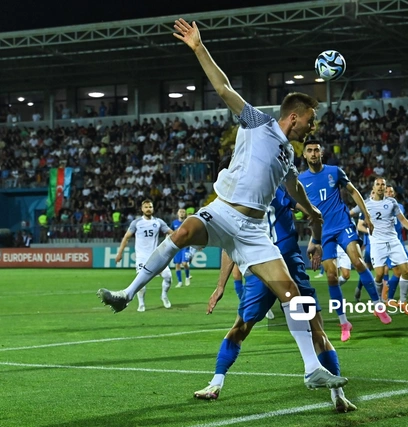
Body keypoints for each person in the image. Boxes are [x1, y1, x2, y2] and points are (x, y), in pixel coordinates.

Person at [97, 18, 346, 390]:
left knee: (292, 293)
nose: (313, 127)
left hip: (254, 231)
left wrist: (311, 213)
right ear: (293, 116)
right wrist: (198, 47)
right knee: (183, 231)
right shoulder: (256, 122)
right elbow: (223, 87)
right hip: (223, 211)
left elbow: (295, 190)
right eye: (310, 121)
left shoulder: (289, 158)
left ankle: (312, 370)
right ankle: (126, 294)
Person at [195, 186, 356, 412]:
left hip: (261, 269)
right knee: (315, 329)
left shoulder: (238, 197)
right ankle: (338, 394)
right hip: (285, 265)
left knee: (242, 327)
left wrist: (220, 285)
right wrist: (315, 241)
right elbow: (314, 214)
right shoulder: (281, 187)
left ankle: (216, 383)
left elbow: (228, 245)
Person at [299, 140, 391, 343]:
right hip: (323, 233)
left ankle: (377, 305)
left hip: (342, 225)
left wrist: (366, 215)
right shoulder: (301, 180)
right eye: (310, 151)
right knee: (331, 276)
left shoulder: (334, 171)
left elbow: (353, 192)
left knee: (357, 261)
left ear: (321, 153)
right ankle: (344, 322)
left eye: (316, 150)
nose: (314, 153)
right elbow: (297, 204)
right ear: (304, 155)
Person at [358, 178, 408, 315]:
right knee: (379, 275)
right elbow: (359, 225)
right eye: (378, 185)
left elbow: (402, 219)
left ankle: (403, 301)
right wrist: (370, 231)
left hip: (393, 241)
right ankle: (379, 303)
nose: (380, 187)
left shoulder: (391, 202)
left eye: (382, 184)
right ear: (373, 188)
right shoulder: (366, 204)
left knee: (407, 270)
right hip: (377, 243)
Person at [114, 199, 173, 312]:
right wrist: (119, 253)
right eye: (146, 207)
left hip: (157, 256)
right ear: (142, 209)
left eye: (150, 207)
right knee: (141, 282)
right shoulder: (136, 223)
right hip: (142, 257)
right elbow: (126, 237)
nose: (148, 209)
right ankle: (141, 304)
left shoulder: (159, 222)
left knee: (168, 276)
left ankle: (164, 296)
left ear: (153, 208)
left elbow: (171, 233)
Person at [382, 185, 408, 306]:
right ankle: (390, 299)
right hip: (389, 244)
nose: (389, 193)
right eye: (387, 192)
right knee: (397, 272)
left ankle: (388, 293)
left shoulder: (399, 207)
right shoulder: (379, 207)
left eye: (391, 192)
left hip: (400, 243)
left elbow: (402, 220)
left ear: (394, 194)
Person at [171, 208, 191, 287]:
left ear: (185, 214)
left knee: (184, 263)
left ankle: (187, 277)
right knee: (177, 264)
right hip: (177, 246)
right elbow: (170, 232)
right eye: (180, 212)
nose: (182, 213)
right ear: (177, 213)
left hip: (185, 246)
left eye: (183, 212)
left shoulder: (187, 223)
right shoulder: (174, 223)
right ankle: (179, 282)